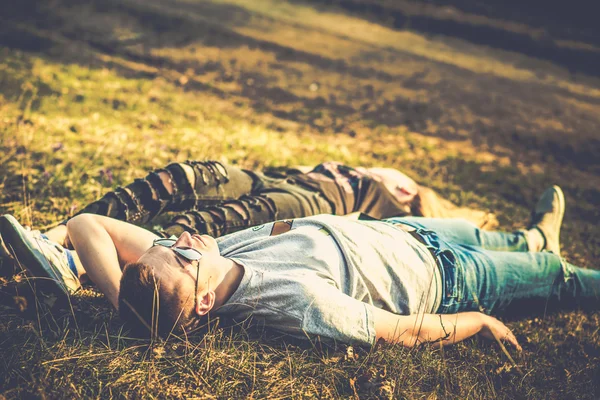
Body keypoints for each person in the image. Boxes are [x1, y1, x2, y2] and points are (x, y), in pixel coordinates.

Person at [2, 185, 597, 349]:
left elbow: (87, 226)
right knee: (565, 281)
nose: (184, 238)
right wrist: (478, 322)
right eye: (181, 252)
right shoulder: (297, 306)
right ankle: (547, 256)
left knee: (502, 237)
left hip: (402, 232)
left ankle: (535, 235)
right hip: (447, 280)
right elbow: (402, 332)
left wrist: (117, 300)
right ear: (204, 303)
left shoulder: (204, 263)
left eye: (170, 241)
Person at [0, 160, 496, 293]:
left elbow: (468, 221)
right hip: (282, 177)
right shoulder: (403, 185)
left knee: (203, 227)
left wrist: (476, 220)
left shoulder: (414, 202)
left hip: (322, 197)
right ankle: (51, 236)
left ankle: (72, 266)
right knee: (185, 177)